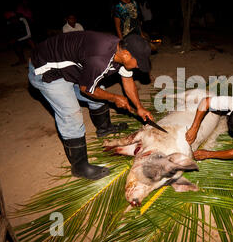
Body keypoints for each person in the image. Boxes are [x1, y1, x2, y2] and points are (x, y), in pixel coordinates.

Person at [28, 31, 154, 180]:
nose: (139, 66)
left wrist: (139, 107)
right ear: (126, 54)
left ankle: (104, 128)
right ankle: (79, 167)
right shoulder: (99, 60)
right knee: (71, 114)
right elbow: (87, 89)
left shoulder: (119, 50)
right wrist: (114, 98)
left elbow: (127, 80)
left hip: (69, 66)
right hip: (47, 71)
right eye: (138, 62)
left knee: (100, 92)